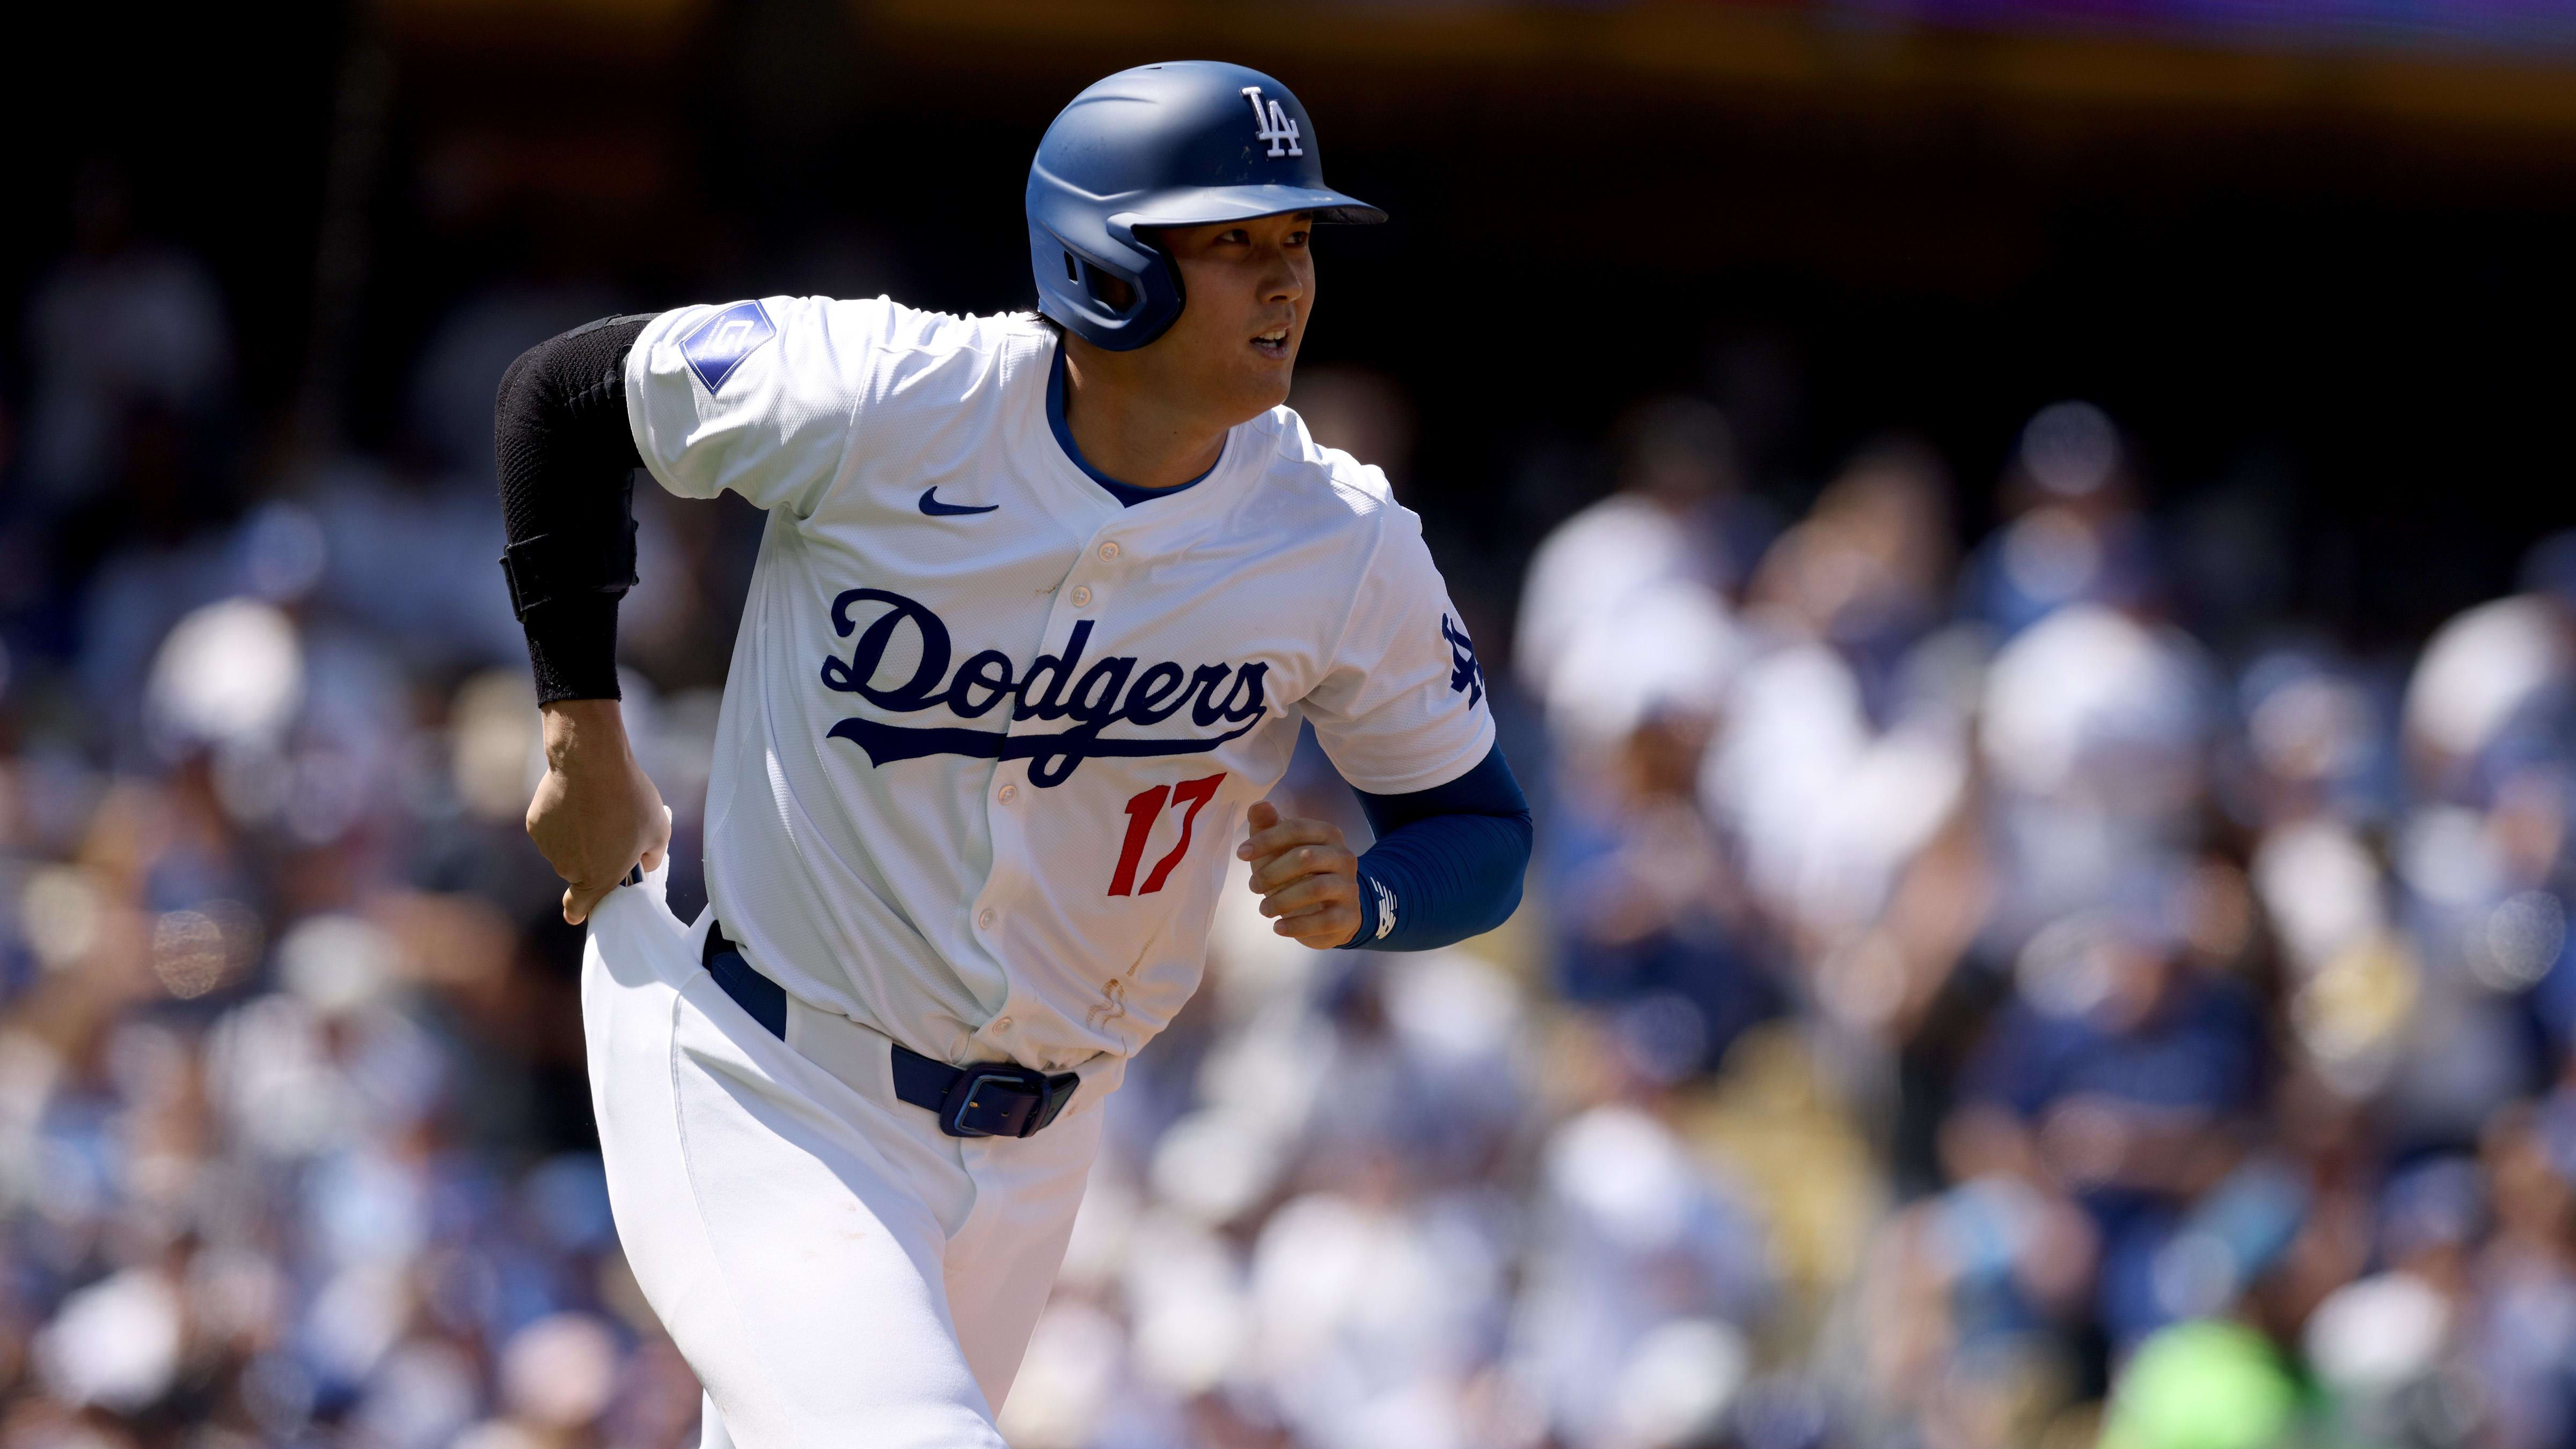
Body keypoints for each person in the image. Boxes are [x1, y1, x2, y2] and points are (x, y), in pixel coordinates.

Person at [487, 62, 1532, 1448]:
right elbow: (565, 397)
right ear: (1107, 265)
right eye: (1237, 244)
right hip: (772, 1075)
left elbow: (1484, 829)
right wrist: (584, 725)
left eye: (1298, 245)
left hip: (1042, 1148)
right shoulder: (884, 393)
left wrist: (1376, 893)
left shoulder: (1337, 543)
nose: (1288, 282)